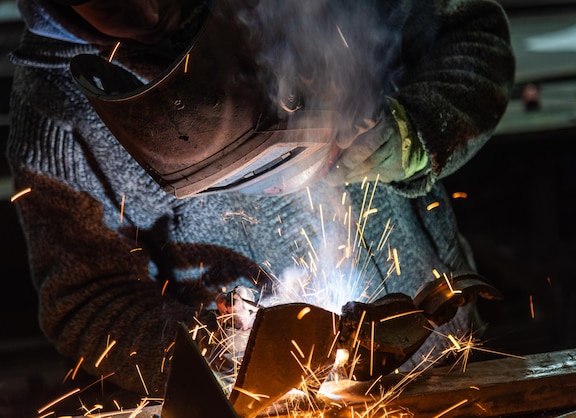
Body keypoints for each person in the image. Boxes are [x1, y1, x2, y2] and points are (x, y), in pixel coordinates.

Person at [7, 0, 515, 399]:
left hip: (444, 358)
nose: (147, 10)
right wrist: (225, 351)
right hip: (273, 403)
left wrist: (415, 132)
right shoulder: (54, 113)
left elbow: (473, 35)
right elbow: (87, 303)